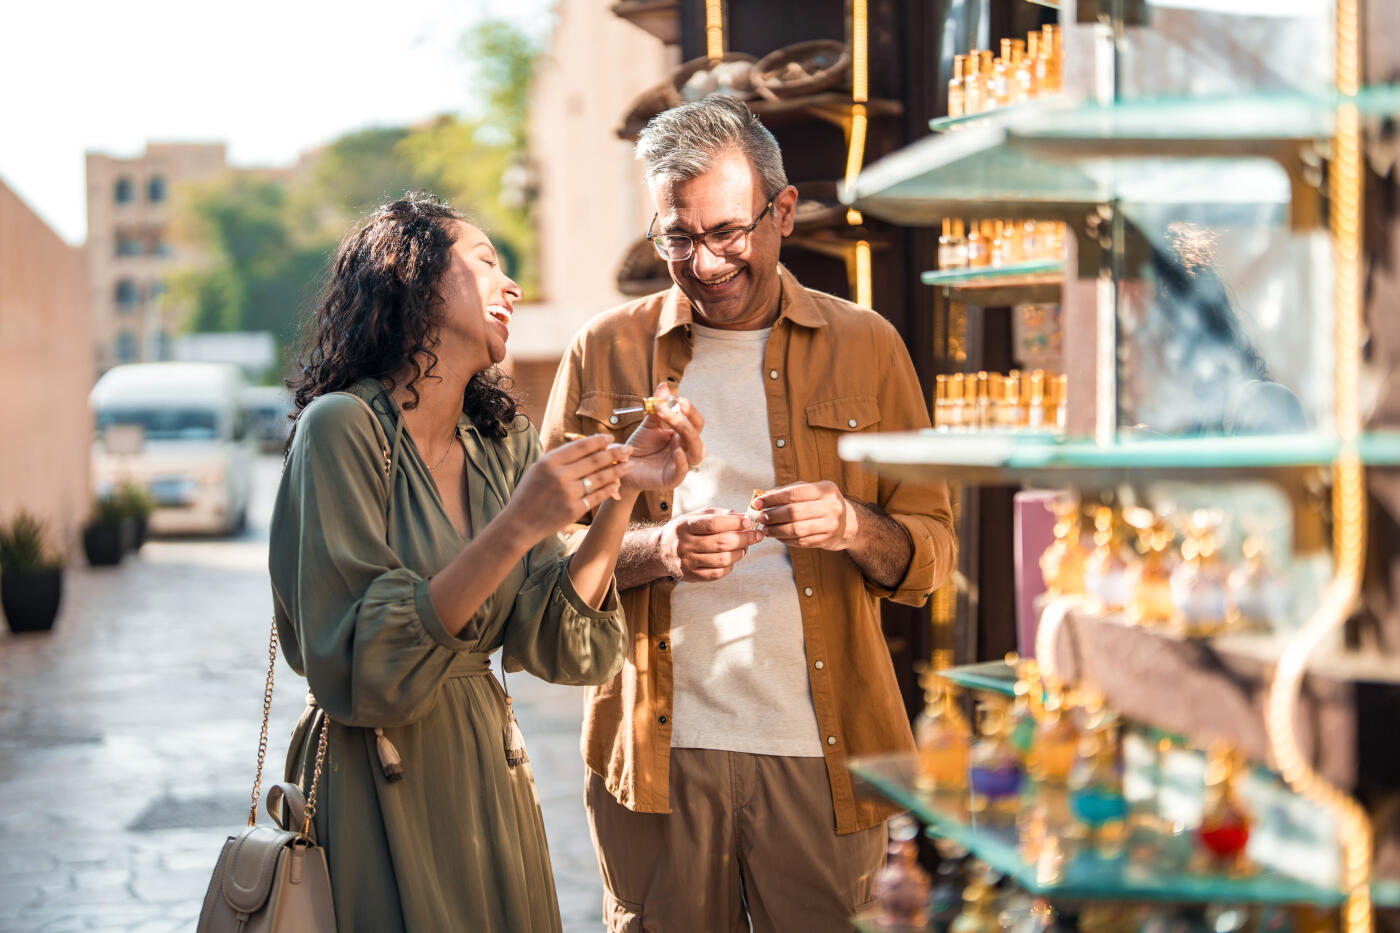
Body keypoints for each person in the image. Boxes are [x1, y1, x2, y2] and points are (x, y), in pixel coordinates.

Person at [541, 98, 958, 931]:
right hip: (654, 761)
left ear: (784, 211)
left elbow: (934, 553)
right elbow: (545, 558)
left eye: (728, 231)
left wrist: (851, 524)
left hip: (825, 761)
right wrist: (659, 548)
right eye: (679, 237)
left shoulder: (869, 346)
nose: (705, 262)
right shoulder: (603, 350)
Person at [269, 193, 704, 933]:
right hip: (376, 778)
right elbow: (361, 668)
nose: (511, 286)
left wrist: (622, 495)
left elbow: (552, 640)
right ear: (411, 280)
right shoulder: (340, 428)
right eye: (486, 263)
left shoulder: (499, 442)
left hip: (488, 770)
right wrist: (518, 523)